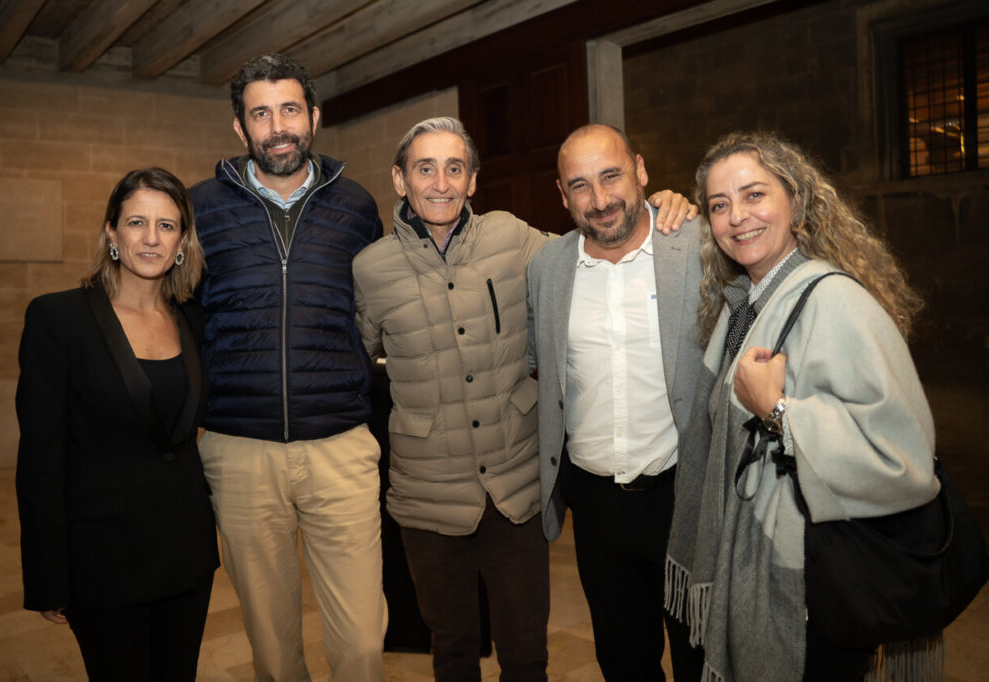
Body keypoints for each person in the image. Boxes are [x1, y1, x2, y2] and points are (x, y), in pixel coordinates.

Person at [353, 117, 695, 681]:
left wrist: (666, 207)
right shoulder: (370, 270)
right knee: (453, 649)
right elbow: (355, 365)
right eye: (424, 168)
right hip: (427, 494)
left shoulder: (515, 239)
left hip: (516, 487)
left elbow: (595, 238)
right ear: (399, 179)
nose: (440, 183)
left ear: (473, 181)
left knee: (527, 653)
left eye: (454, 168)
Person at [663, 131, 939, 681]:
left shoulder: (835, 300)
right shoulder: (743, 304)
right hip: (765, 563)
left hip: (810, 585)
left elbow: (904, 459)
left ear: (796, 199)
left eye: (755, 195)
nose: (737, 217)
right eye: (719, 205)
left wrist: (780, 411)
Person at [187, 54, 386, 682]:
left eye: (290, 110)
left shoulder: (356, 206)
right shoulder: (199, 210)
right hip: (239, 451)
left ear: (315, 118)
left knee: (360, 645)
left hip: (340, 446)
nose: (278, 126)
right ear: (240, 129)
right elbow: (178, 318)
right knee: (272, 649)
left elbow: (372, 310)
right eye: (261, 113)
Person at [15, 168, 218, 681]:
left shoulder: (192, 319)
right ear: (111, 233)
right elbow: (41, 457)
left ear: (182, 240)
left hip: (187, 555)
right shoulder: (58, 319)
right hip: (103, 562)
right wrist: (46, 575)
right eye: (136, 222)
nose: (152, 238)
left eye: (167, 226)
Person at [526, 124, 705, 681]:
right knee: (624, 662)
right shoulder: (547, 269)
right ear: (562, 195)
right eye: (580, 186)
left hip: (684, 497)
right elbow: (541, 367)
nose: (600, 201)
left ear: (642, 171)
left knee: (701, 657)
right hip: (597, 507)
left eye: (611, 177)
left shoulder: (696, 246)